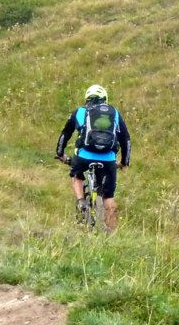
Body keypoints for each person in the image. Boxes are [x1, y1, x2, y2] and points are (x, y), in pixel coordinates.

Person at [55, 84, 131, 231]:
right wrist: (124, 162)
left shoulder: (80, 112)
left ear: (87, 99)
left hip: (84, 156)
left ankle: (81, 201)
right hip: (109, 159)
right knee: (108, 197)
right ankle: (111, 234)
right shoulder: (114, 113)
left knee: (76, 174)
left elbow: (65, 134)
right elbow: (126, 139)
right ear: (105, 99)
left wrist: (60, 154)